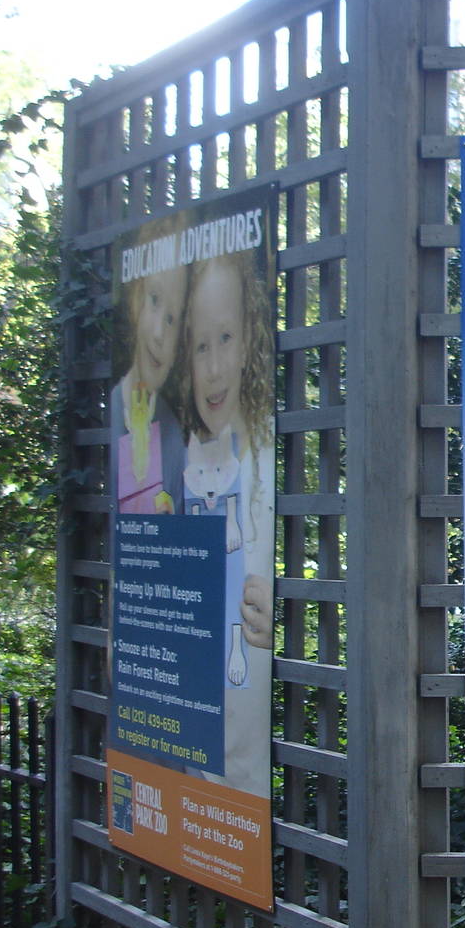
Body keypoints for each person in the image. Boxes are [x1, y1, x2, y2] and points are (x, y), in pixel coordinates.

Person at [179, 251, 276, 796]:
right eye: (200, 346)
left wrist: (278, 627)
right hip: (192, 755)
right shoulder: (177, 463)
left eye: (225, 338)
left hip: (248, 778)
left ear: (247, 345)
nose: (213, 367)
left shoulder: (272, 458)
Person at [112, 268, 187, 513]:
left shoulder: (173, 436)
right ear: (136, 303)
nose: (158, 333)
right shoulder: (109, 409)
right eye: (154, 300)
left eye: (171, 320)